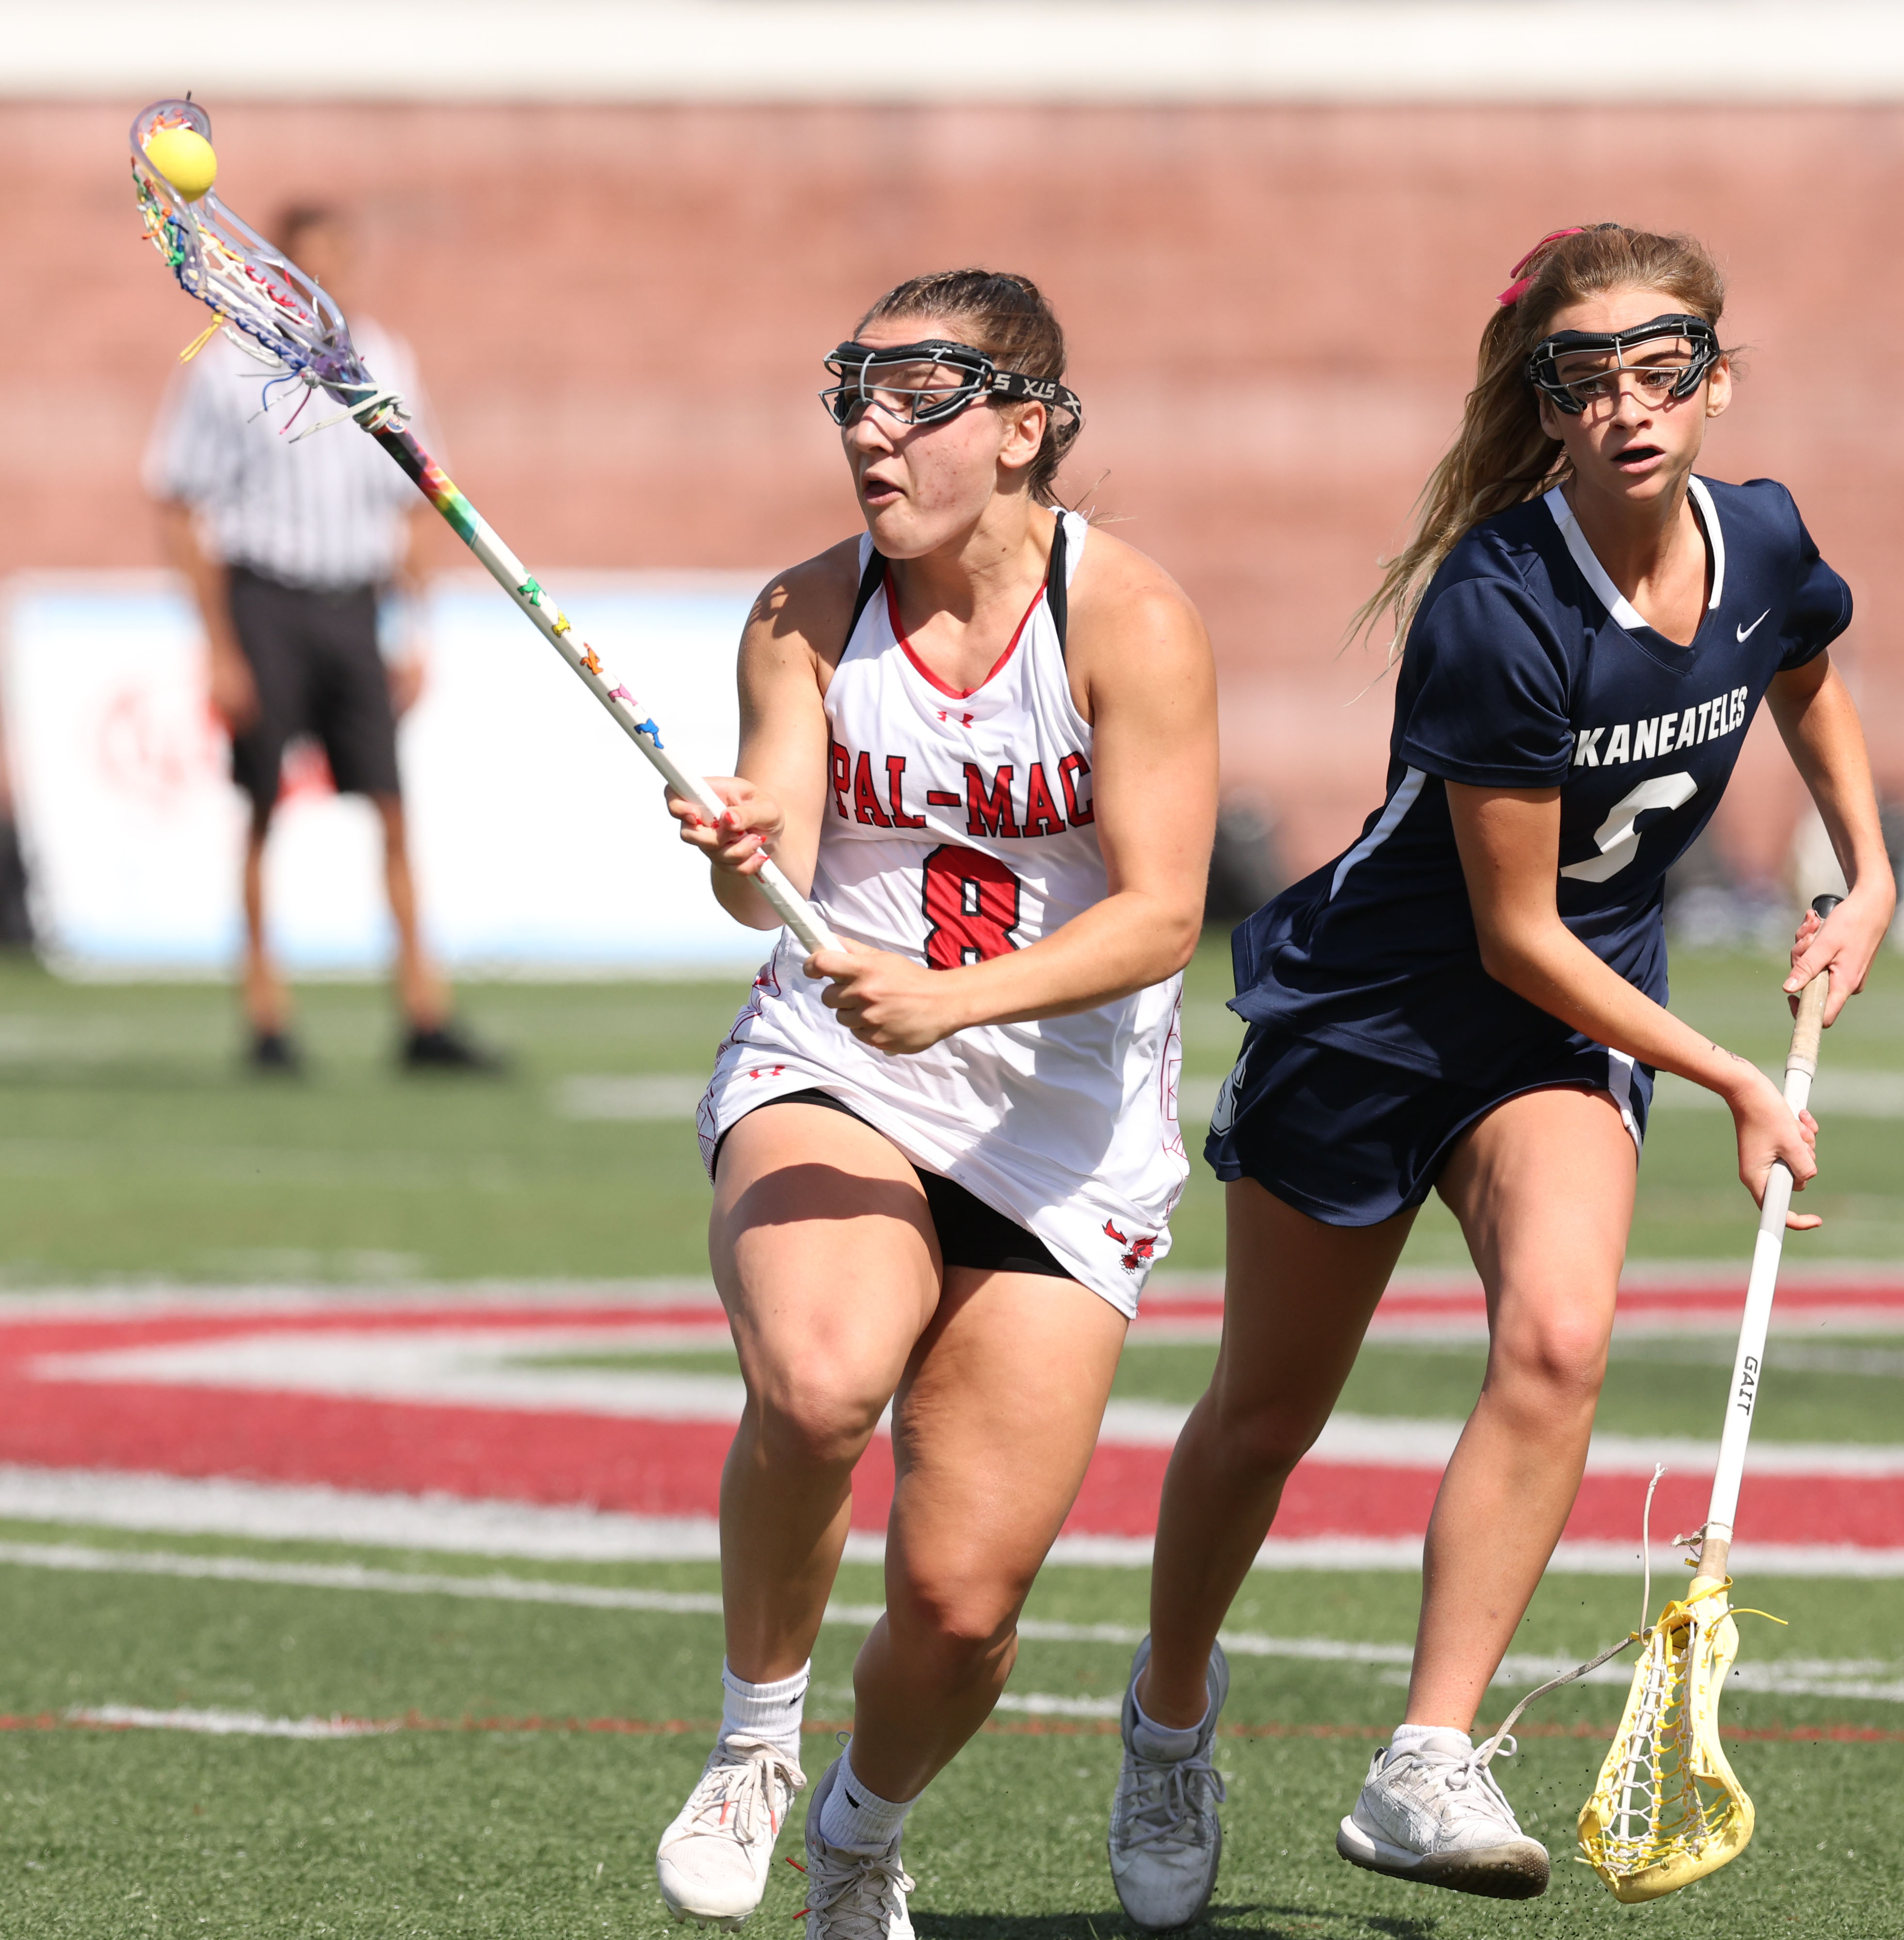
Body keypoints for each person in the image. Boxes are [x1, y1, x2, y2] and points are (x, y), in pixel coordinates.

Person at [1103, 223, 1896, 1922]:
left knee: (1556, 1334)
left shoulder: (1753, 535)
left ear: (1715, 378)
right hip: (1379, 1013)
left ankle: (1424, 1759)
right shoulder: (1495, 604)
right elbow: (1512, 927)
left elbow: (1805, 667)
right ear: (1542, 405)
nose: (1628, 403)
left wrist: (1865, 864)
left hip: (1557, 1024)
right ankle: (1168, 1711)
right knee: (1265, 1415)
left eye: (1660, 367)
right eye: (1585, 376)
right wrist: (1738, 1082)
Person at [650, 270, 1217, 1939]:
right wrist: (747, 864)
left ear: (1026, 427)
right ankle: (756, 1736)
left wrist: (956, 1000)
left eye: (915, 397)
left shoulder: (1128, 621)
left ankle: (857, 1832)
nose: (867, 432)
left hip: (1058, 1123)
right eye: (851, 395)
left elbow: (1164, 913)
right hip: (834, 1069)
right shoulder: (803, 614)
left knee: (963, 1605)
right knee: (820, 1383)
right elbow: (776, 900)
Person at [146, 203, 498, 1074]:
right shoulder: (226, 363)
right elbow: (177, 500)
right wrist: (220, 645)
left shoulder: (385, 357)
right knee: (265, 805)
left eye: (335, 263)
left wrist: (413, 627)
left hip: (354, 605)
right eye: (304, 266)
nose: (321, 283)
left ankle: (423, 1013)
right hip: (265, 596)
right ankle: (267, 1017)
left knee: (388, 806)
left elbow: (418, 497)